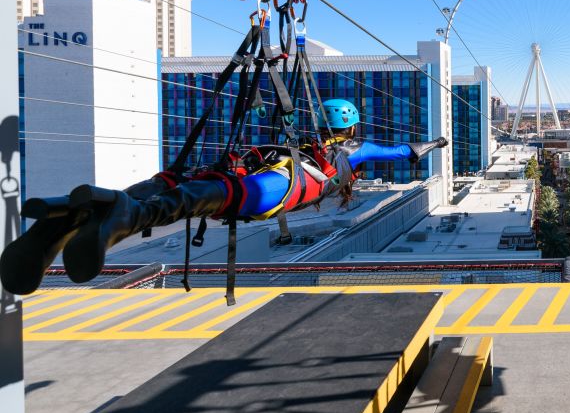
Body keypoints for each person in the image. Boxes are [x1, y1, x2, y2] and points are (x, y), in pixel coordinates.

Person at [0, 99, 448, 295]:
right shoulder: (355, 149)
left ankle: (71, 214)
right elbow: (402, 150)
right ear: (349, 129)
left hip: (268, 165)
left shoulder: (302, 138)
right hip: (284, 187)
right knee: (215, 197)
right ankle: (122, 218)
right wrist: (434, 145)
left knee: (186, 185)